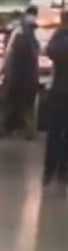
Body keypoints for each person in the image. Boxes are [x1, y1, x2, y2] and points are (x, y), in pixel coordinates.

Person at [0, 6, 40, 138]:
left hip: (16, 76)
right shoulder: (30, 33)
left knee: (8, 103)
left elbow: (8, 55)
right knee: (25, 105)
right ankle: (29, 131)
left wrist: (0, 72)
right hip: (29, 76)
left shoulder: (18, 33)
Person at [43, 10, 68, 186]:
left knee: (54, 132)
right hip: (61, 91)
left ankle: (50, 171)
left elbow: (50, 51)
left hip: (59, 90)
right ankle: (63, 171)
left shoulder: (58, 37)